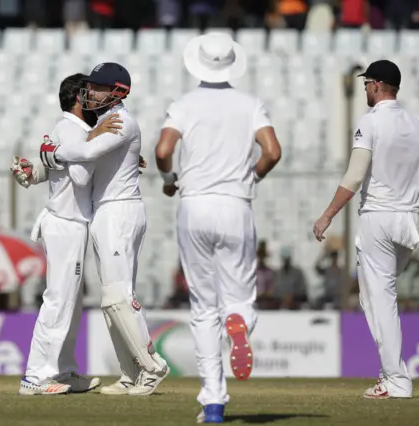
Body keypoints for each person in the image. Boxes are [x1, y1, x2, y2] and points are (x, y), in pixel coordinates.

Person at [154, 32, 282, 423]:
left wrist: (171, 177)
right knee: (239, 298)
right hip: (234, 205)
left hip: (194, 206)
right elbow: (272, 151)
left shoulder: (185, 104)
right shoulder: (249, 104)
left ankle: (213, 402)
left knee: (202, 308)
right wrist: (252, 178)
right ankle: (240, 321)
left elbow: (162, 151)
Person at [38, 63, 170, 396]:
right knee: (111, 298)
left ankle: (153, 367)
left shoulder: (120, 121)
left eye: (97, 87)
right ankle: (129, 374)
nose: (90, 93)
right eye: (90, 87)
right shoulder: (104, 122)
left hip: (119, 213)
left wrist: (50, 153)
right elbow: (88, 156)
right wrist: (42, 166)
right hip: (106, 213)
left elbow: (84, 152)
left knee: (119, 296)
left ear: (117, 91)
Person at [313, 60, 419, 399]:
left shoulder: (371, 122)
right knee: (376, 297)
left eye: (367, 84)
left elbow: (353, 176)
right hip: (409, 218)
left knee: (380, 300)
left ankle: (396, 379)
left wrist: (327, 215)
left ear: (377, 85)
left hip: (378, 217)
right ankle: (391, 374)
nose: (365, 88)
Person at [11, 74, 113, 395]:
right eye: (92, 93)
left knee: (71, 301)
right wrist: (95, 144)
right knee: (58, 299)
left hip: (72, 223)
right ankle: (36, 376)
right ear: (80, 98)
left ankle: (64, 371)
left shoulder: (75, 131)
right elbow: (82, 177)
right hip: (66, 223)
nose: (99, 98)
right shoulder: (73, 129)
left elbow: (59, 165)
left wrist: (46, 161)